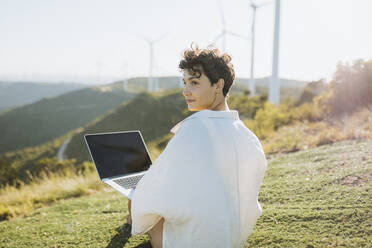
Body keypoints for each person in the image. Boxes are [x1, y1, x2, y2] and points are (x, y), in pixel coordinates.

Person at [127, 44, 267, 248]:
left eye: (194, 83)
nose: (186, 91)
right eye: (185, 83)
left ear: (218, 85)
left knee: (142, 201)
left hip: (197, 242)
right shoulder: (247, 134)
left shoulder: (196, 126)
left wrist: (137, 196)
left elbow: (154, 193)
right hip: (234, 237)